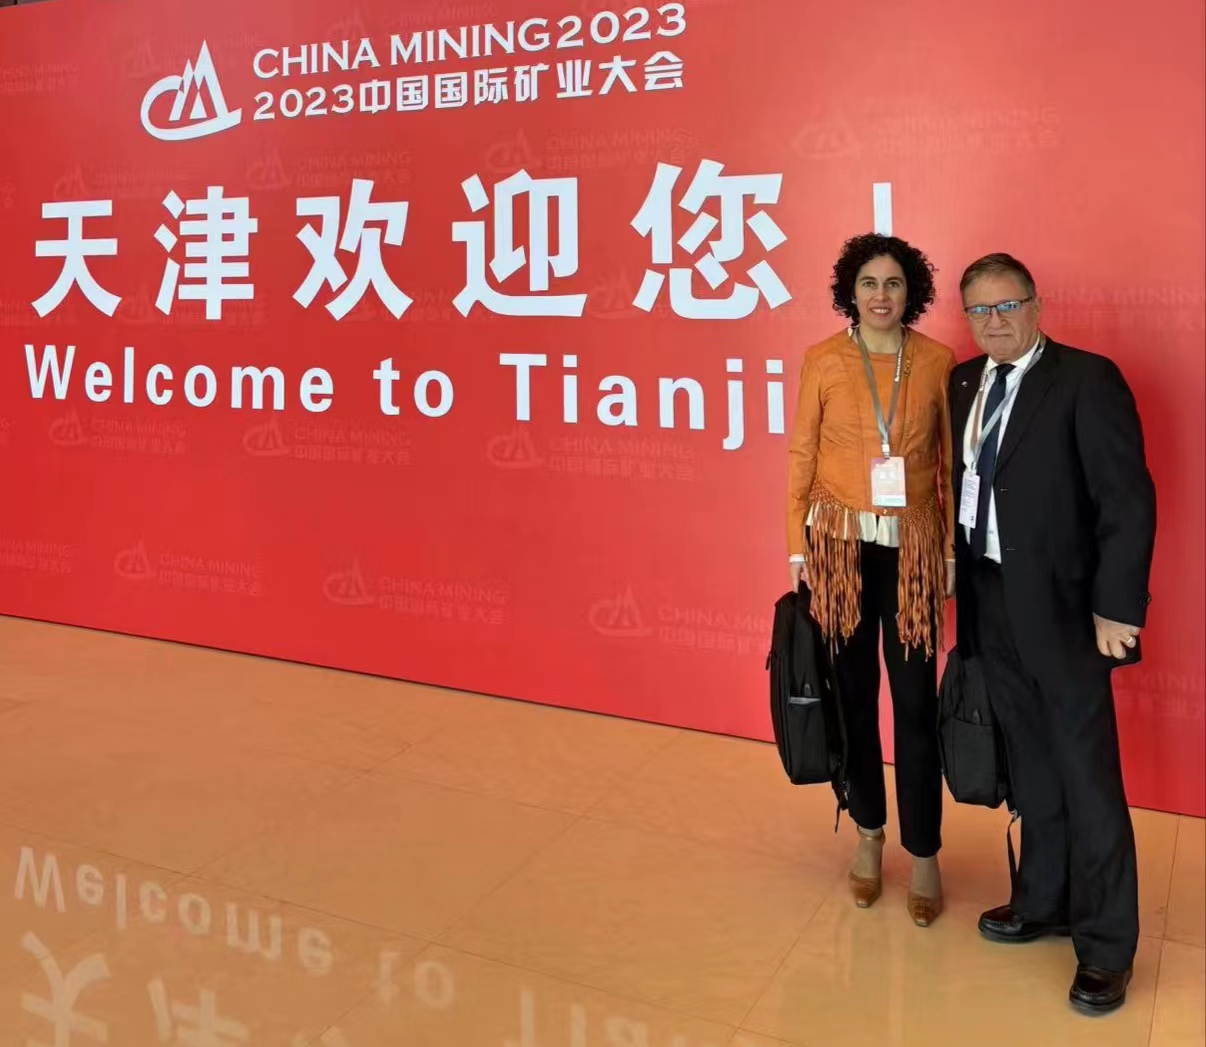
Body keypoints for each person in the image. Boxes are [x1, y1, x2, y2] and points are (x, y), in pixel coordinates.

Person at [949, 253, 1156, 1015]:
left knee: (1088, 777)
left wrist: (1118, 608)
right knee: (1030, 765)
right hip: (990, 598)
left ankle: (1106, 946)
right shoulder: (965, 383)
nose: (994, 321)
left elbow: (1126, 501)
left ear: (1036, 306)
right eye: (979, 310)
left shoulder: (1086, 378)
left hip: (1069, 614)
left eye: (1007, 306)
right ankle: (1043, 899)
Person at [787, 232, 957, 927]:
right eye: (868, 283)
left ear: (910, 290)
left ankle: (923, 851)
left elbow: (950, 467)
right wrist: (797, 549)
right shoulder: (823, 360)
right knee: (855, 700)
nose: (881, 295)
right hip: (839, 550)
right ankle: (867, 836)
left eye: (892, 283)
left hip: (912, 550)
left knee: (915, 706)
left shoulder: (939, 362)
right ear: (849, 293)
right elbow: (802, 451)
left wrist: (947, 553)